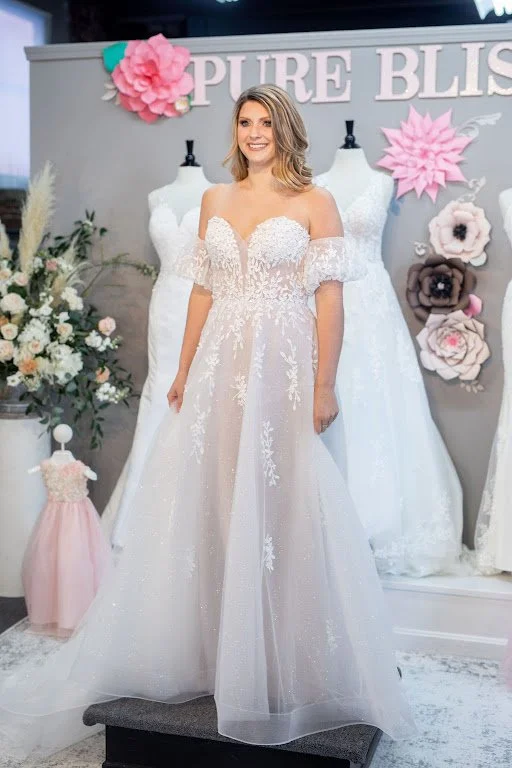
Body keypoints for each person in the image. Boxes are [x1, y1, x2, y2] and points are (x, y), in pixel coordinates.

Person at [0, 84, 415, 760]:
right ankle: (213, 650)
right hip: (221, 363)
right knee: (214, 498)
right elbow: (201, 290)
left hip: (283, 364)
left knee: (283, 503)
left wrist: (323, 384)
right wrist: (184, 369)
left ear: (286, 130)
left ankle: (284, 659)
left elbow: (331, 302)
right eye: (245, 122)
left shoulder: (315, 201)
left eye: (266, 122)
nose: (254, 132)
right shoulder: (215, 201)